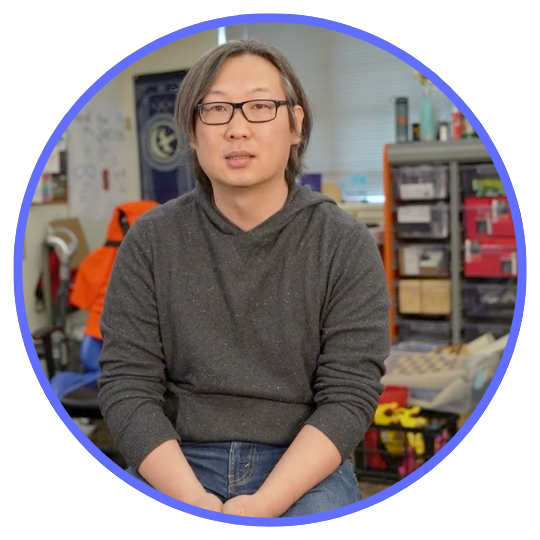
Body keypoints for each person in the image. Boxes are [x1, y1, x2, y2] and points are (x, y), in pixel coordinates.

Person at [97, 38, 391, 518]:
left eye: (259, 106)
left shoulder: (343, 242)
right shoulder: (149, 240)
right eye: (215, 109)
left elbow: (349, 394)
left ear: (295, 125)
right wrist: (195, 501)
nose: (237, 128)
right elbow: (127, 385)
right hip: (179, 459)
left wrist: (265, 505)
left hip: (301, 464)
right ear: (192, 132)